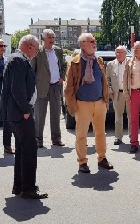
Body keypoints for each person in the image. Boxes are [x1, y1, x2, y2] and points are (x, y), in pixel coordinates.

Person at [0, 34, 48, 199]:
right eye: (36, 49)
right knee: (28, 149)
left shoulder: (17, 59)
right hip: (21, 114)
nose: (36, 53)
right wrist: (26, 110)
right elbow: (17, 89)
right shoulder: (18, 60)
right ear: (29, 46)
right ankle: (28, 188)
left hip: (19, 113)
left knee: (22, 150)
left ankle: (20, 186)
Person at [64, 33, 113, 173]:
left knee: (101, 133)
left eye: (94, 41)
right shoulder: (74, 63)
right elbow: (69, 87)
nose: (95, 43)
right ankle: (82, 162)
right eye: (92, 41)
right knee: (81, 134)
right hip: (82, 104)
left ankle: (102, 158)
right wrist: (71, 105)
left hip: (99, 103)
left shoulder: (99, 61)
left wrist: (106, 98)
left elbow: (104, 81)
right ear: (83, 44)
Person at [31, 29, 66, 148]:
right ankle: (38, 140)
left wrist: (62, 77)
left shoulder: (58, 51)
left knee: (56, 114)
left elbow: (64, 65)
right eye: (49, 38)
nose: (52, 40)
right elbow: (32, 69)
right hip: (41, 87)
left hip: (55, 86)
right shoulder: (38, 51)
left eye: (53, 38)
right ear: (43, 38)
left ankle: (56, 139)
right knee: (40, 115)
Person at [106, 45, 131, 145]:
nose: (118, 54)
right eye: (117, 52)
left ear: (125, 53)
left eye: (121, 52)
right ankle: (118, 137)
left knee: (131, 116)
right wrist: (109, 89)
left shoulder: (131, 63)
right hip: (117, 94)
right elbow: (106, 79)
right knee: (118, 116)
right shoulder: (110, 64)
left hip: (129, 93)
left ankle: (132, 137)